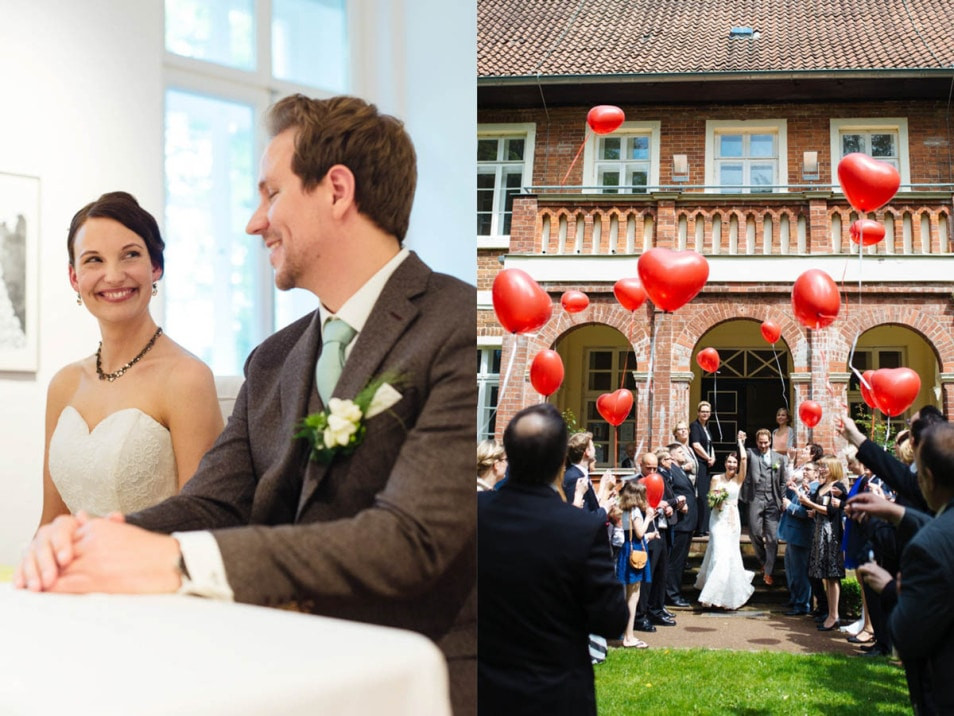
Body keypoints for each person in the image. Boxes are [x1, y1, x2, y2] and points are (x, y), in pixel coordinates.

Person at [17, 95, 476, 714]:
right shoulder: (272, 361)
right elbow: (214, 501)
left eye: (271, 194)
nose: (254, 222)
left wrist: (176, 561)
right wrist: (91, 537)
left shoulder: (456, 326)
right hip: (276, 664)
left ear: (336, 190)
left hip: (417, 674)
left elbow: (411, 540)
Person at [40, 192, 224, 525]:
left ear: (155, 267)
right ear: (74, 277)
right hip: (74, 573)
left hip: (156, 572)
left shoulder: (187, 378)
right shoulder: (64, 385)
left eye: (130, 255)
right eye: (94, 260)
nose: (113, 276)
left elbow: (202, 523)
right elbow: (51, 523)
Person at [477, 403, 628, 716]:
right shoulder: (581, 528)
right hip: (554, 693)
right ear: (562, 461)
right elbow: (612, 618)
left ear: (510, 457)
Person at [850, 422, 954, 714]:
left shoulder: (926, 550)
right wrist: (898, 513)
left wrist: (890, 587)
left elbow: (907, 635)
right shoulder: (938, 533)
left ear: (928, 478)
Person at [694, 432, 754, 610]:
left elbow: (744, 459)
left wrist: (740, 443)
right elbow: (710, 497)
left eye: (734, 463)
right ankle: (711, 595)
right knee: (718, 554)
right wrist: (717, 501)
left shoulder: (739, 479)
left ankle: (726, 596)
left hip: (733, 520)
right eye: (729, 461)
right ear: (725, 463)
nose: (732, 464)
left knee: (730, 555)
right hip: (717, 519)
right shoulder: (716, 478)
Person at [800, 456, 848, 631]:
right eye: (820, 466)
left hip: (831, 535)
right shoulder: (821, 487)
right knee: (824, 575)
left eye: (825, 466)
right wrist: (808, 502)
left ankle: (834, 616)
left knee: (832, 575)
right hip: (819, 533)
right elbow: (812, 506)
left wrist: (810, 504)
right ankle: (828, 612)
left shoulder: (838, 487)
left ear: (834, 468)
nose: (821, 469)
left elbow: (831, 510)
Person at [634, 451, 677, 630]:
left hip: (662, 530)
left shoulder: (660, 479)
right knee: (646, 577)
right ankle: (640, 615)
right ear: (641, 465)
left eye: (654, 468)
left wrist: (669, 507)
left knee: (661, 573)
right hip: (646, 533)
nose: (652, 471)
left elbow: (667, 499)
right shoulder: (634, 483)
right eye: (648, 468)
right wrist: (651, 505)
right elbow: (630, 505)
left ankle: (657, 610)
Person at [742, 427, 787, 586]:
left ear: (770, 442)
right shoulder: (750, 453)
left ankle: (768, 571)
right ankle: (763, 560)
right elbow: (740, 458)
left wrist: (783, 499)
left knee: (773, 538)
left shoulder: (779, 458)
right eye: (760, 443)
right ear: (756, 442)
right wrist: (740, 442)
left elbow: (782, 482)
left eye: (766, 443)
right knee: (754, 532)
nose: (763, 446)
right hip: (755, 497)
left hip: (773, 500)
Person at [616, 480, 654, 648]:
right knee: (633, 596)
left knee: (628, 595)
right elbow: (639, 533)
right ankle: (629, 636)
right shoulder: (636, 511)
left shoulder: (625, 511)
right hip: (636, 551)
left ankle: (624, 632)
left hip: (626, 550)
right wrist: (649, 518)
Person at [778, 461, 816, 616]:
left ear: (816, 472)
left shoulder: (813, 488)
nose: (805, 472)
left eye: (808, 469)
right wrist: (791, 489)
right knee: (792, 571)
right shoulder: (803, 487)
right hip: (792, 534)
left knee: (800, 572)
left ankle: (802, 604)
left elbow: (805, 512)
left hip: (802, 535)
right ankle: (795, 599)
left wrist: (789, 507)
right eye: (804, 469)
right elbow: (791, 499)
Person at [662, 443, 697, 608]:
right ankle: (672, 594)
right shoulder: (671, 472)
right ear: (672, 455)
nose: (684, 454)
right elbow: (669, 490)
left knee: (681, 561)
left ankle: (675, 592)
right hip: (680, 522)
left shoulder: (681, 470)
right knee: (675, 561)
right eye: (680, 452)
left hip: (687, 523)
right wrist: (679, 503)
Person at [690, 401, 716, 536]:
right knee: (700, 496)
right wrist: (708, 458)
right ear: (698, 413)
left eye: (707, 411)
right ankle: (699, 528)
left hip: (706, 465)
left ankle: (705, 527)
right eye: (703, 411)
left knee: (705, 496)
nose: (705, 413)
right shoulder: (695, 426)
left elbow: (709, 445)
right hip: (699, 464)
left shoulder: (706, 427)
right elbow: (696, 445)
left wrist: (713, 457)